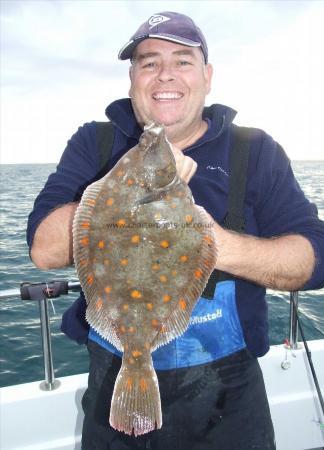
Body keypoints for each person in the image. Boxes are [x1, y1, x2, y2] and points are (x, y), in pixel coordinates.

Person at [27, 11, 324, 450]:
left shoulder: (254, 149)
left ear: (207, 76)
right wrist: (116, 193)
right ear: (133, 80)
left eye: (183, 61)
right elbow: (43, 252)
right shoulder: (97, 144)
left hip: (229, 397)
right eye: (149, 62)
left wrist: (214, 246)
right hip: (113, 376)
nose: (165, 73)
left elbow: (314, 262)